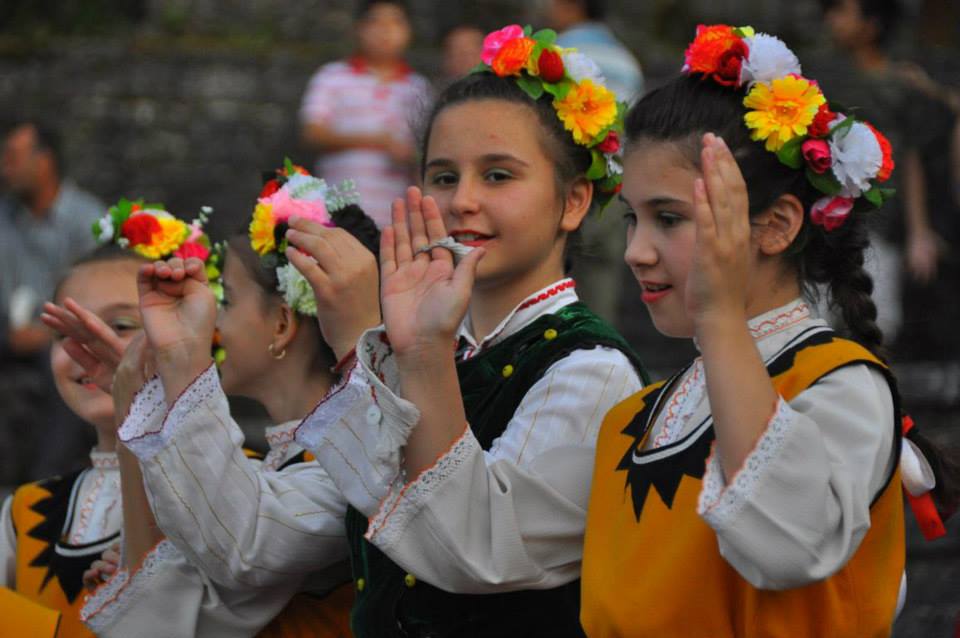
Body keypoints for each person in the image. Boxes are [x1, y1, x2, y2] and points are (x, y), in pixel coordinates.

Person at [581, 25, 958, 637]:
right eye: (633, 219)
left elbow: (788, 547)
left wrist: (721, 318)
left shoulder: (839, 385)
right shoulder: (633, 417)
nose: (636, 252)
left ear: (777, 225)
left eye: (670, 218)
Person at [289, 26, 646, 636]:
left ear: (574, 201)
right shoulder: (441, 351)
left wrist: (369, 344)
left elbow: (476, 552)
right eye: (444, 177)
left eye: (499, 176)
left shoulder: (590, 372)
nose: (462, 202)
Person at [64, 168, 380, 637]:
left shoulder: (354, 463)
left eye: (225, 302)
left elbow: (242, 550)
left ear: (281, 325)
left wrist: (182, 364)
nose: (213, 330)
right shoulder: (286, 463)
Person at [0, 244, 145, 638]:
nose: (87, 347)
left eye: (120, 326)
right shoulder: (25, 509)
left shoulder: (236, 488)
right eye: (65, 331)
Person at [0, 121, 106, 484]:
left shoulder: (87, 220)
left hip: (65, 335)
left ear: (43, 161)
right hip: (10, 333)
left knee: (65, 364)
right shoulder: (5, 218)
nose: (4, 168)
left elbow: (100, 301)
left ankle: (43, 484)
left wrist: (47, 334)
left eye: (12, 157)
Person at [547, 0, 644, 325]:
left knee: (551, 289)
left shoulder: (557, 55)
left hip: (563, 187)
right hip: (613, 190)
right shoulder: (626, 59)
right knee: (600, 297)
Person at [300, 0, 431, 228]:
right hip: (337, 213)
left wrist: (411, 154)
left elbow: (430, 148)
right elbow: (312, 134)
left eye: (395, 22)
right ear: (359, 29)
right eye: (376, 22)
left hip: (397, 220)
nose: (386, 31)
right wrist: (378, 140)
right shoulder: (332, 76)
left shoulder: (419, 87)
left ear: (408, 32)